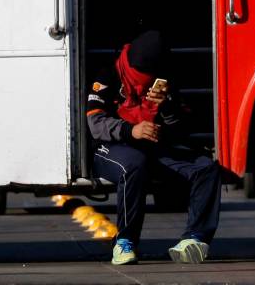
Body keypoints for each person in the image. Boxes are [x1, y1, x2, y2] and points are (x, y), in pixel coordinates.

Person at [87, 30, 221, 266]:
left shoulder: (165, 81)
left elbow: (183, 128)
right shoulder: (108, 75)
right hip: (111, 147)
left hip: (155, 146)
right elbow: (95, 123)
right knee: (133, 164)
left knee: (206, 168)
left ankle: (195, 237)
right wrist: (131, 130)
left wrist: (167, 107)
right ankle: (125, 241)